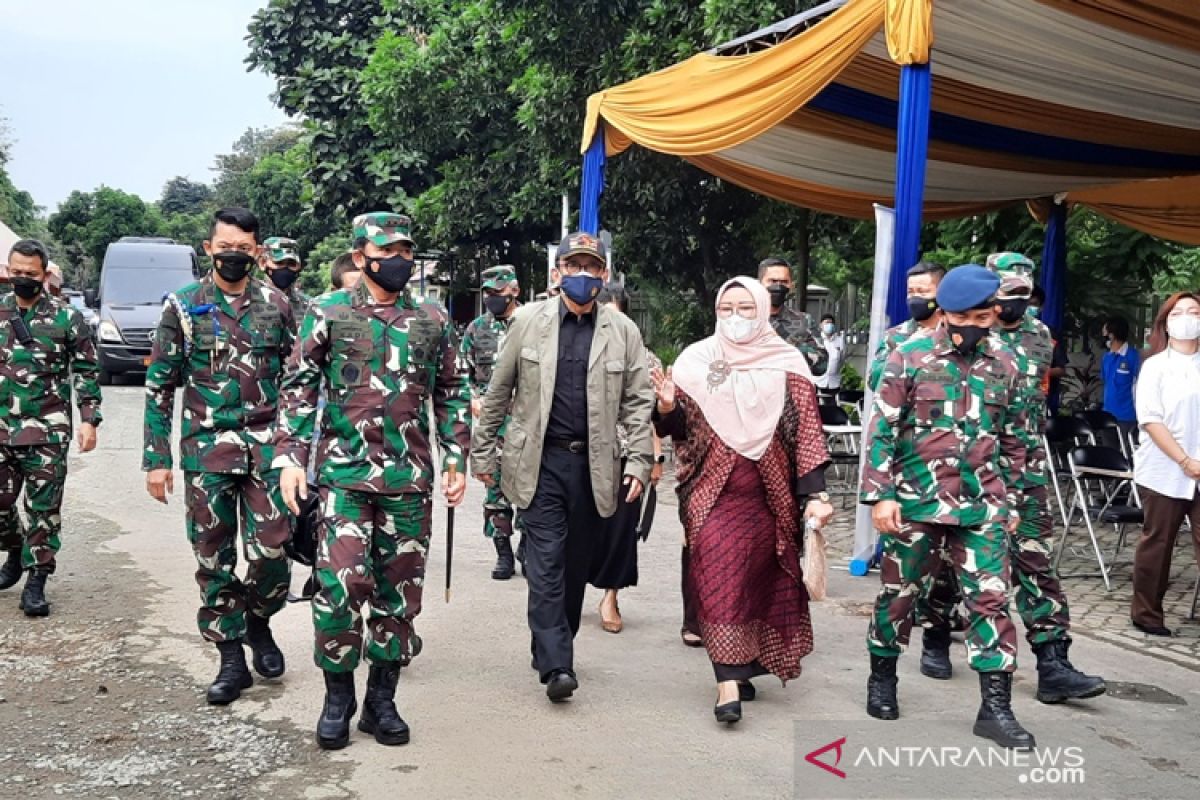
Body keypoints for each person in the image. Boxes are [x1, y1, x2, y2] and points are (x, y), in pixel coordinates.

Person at [275, 211, 469, 750]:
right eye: (389, 251)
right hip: (344, 478)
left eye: (407, 250)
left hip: (410, 481)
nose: (400, 260)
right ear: (361, 257)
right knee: (339, 588)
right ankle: (338, 696)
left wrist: (457, 457)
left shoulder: (431, 318)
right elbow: (298, 386)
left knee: (398, 595)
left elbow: (452, 390)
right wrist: (289, 456)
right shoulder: (329, 311)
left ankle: (381, 701)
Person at [472, 231, 653, 703]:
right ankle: (558, 665)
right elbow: (498, 391)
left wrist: (639, 459)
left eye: (592, 268)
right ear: (557, 274)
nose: (583, 276)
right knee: (547, 561)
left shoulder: (623, 332)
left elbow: (638, 401)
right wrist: (482, 452)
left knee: (575, 566)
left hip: (595, 464)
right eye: (573, 267)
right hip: (540, 460)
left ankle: (553, 641)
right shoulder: (529, 322)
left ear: (604, 275)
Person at [915, 254, 1105, 704]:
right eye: (1004, 295)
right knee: (948, 563)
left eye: (1021, 294)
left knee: (1036, 561)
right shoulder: (965, 329)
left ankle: (1053, 662)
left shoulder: (1039, 334)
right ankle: (937, 634)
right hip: (970, 469)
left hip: (1028, 469)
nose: (1010, 305)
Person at [862, 264, 1035, 749]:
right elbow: (881, 430)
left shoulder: (1007, 362)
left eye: (986, 316)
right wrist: (881, 495)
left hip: (984, 505)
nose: (980, 325)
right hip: (916, 503)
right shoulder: (908, 356)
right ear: (949, 313)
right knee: (900, 596)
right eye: (971, 316)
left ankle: (995, 709)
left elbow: (1017, 438)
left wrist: (1014, 498)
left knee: (991, 600)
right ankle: (882, 677)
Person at [652, 277, 832, 724]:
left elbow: (807, 431)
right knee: (718, 576)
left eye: (745, 308)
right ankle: (726, 683)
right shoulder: (696, 360)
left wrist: (815, 495)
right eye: (727, 308)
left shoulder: (788, 362)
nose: (735, 317)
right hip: (710, 493)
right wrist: (669, 407)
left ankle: (745, 664)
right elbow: (677, 431)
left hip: (769, 496)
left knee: (757, 580)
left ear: (764, 310)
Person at [144, 208, 294, 705]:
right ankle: (231, 660)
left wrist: (301, 449)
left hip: (267, 449)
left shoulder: (278, 304)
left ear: (258, 252)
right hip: (205, 451)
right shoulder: (183, 306)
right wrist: (156, 458)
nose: (234, 255)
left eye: (244, 249)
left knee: (275, 550)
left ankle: (258, 619)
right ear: (209, 248)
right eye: (225, 246)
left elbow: (299, 380)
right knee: (213, 555)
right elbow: (160, 384)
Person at [0, 239, 102, 615]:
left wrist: (89, 419)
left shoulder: (66, 317)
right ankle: (14, 547)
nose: (23, 278)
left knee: (45, 509)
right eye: (17, 272)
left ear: (45, 275)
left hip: (46, 430)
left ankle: (36, 581)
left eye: (31, 273)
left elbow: (88, 371)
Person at [588, 283, 663, 634]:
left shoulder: (645, 359)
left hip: (625, 455)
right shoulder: (576, 349)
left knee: (620, 530)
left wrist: (654, 459)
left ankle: (610, 596)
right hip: (581, 454)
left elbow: (649, 414)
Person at [1130, 292, 1200, 637]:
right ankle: (1147, 613)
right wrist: (1185, 460)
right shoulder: (1155, 366)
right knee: (1158, 543)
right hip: (1164, 469)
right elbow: (1151, 420)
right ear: (1166, 322)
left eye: (1194, 312)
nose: (1187, 318)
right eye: (1180, 312)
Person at [460, 265, 522, 579]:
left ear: (515, 291)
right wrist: (472, 397)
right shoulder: (475, 330)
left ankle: (529, 546)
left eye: (498, 292)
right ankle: (503, 552)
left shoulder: (532, 324)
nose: (492, 298)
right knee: (494, 489)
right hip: (491, 426)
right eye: (488, 293)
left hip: (527, 425)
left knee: (530, 489)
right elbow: (460, 374)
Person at [868, 261, 945, 390]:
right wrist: (904, 350)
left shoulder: (954, 333)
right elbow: (874, 381)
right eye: (910, 292)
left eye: (922, 292)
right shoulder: (895, 336)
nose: (915, 298)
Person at [758, 257, 828, 376]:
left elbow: (821, 365)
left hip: (790, 392)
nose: (778, 286)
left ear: (791, 285)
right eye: (772, 281)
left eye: (784, 282)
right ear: (760, 283)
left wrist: (787, 346)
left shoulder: (804, 321)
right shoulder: (745, 319)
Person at [1101, 315, 1140, 446]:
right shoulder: (1106, 357)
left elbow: (1139, 386)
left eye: (1105, 331)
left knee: (1126, 455)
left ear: (1112, 334)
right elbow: (1105, 381)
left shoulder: (1133, 357)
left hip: (1127, 417)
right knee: (1108, 456)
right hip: (1107, 415)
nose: (1103, 335)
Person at [261, 236, 311, 324]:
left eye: (291, 264)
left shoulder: (309, 307)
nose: (285, 269)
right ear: (263, 263)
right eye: (279, 263)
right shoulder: (247, 302)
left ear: (299, 266)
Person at [815, 313, 845, 392]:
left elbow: (842, 360)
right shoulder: (816, 340)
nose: (829, 325)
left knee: (832, 403)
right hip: (818, 382)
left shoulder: (839, 341)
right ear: (821, 325)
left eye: (831, 323)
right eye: (826, 322)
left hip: (834, 383)